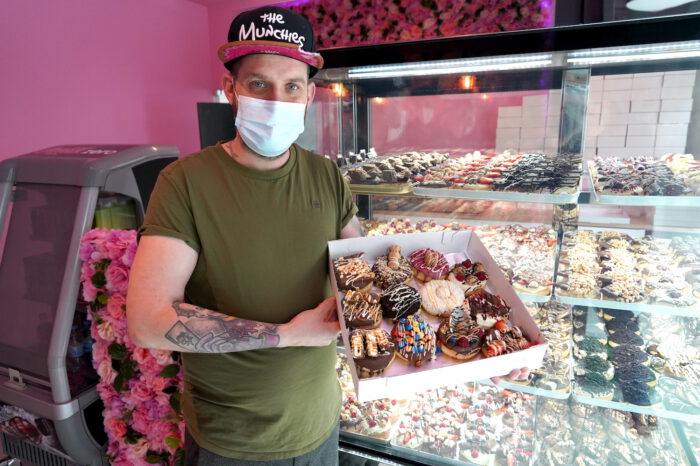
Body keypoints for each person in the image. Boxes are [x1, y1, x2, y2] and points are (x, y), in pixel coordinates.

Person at [127, 5, 528, 465]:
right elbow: (148, 320)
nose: (277, 100)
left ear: (310, 95)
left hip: (320, 425)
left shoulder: (325, 175)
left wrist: (479, 347)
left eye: (292, 86)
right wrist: (285, 335)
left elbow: (369, 280)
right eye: (258, 84)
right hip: (233, 441)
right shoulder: (184, 183)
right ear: (231, 89)